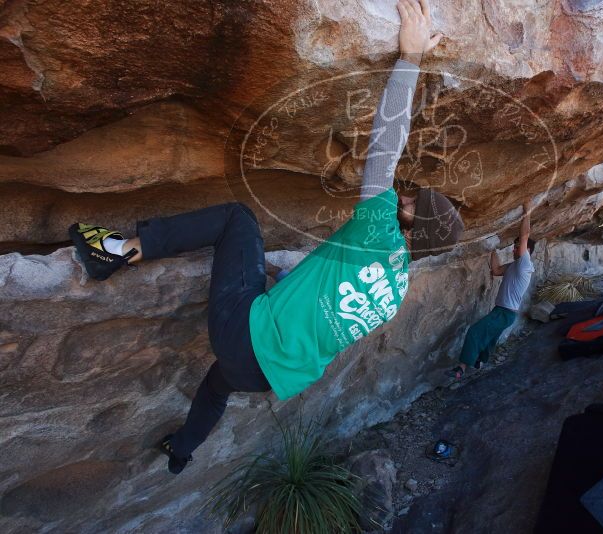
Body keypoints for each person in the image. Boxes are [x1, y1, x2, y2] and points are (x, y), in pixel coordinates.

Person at [68, 0, 463, 475]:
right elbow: (322, 303)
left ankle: (117, 252)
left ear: (409, 222)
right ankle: (181, 452)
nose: (406, 195)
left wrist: (411, 58)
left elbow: (387, 141)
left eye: (414, 202)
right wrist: (271, 274)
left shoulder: (379, 227)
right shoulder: (395, 291)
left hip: (242, 331)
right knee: (216, 388)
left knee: (237, 218)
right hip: (264, 375)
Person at [447, 199, 535, 380]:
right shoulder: (514, 266)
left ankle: (461, 368)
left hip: (505, 313)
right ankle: (481, 361)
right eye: (514, 245)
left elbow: (525, 235)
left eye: (517, 246)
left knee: (475, 332)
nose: (514, 248)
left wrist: (527, 210)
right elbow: (495, 270)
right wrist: (492, 248)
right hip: (502, 312)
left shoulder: (525, 265)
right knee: (489, 339)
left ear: (526, 251)